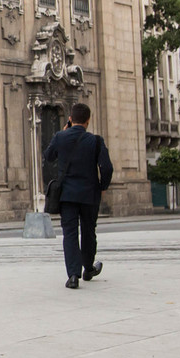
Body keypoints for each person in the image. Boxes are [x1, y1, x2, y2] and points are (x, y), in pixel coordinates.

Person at [43, 102, 113, 289]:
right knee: (89, 231)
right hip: (90, 194)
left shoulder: (60, 137)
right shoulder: (96, 141)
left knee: (70, 233)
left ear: (71, 119)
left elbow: (48, 156)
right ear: (88, 121)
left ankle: (73, 275)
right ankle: (88, 267)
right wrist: (103, 186)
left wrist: (62, 133)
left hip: (67, 195)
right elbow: (107, 167)